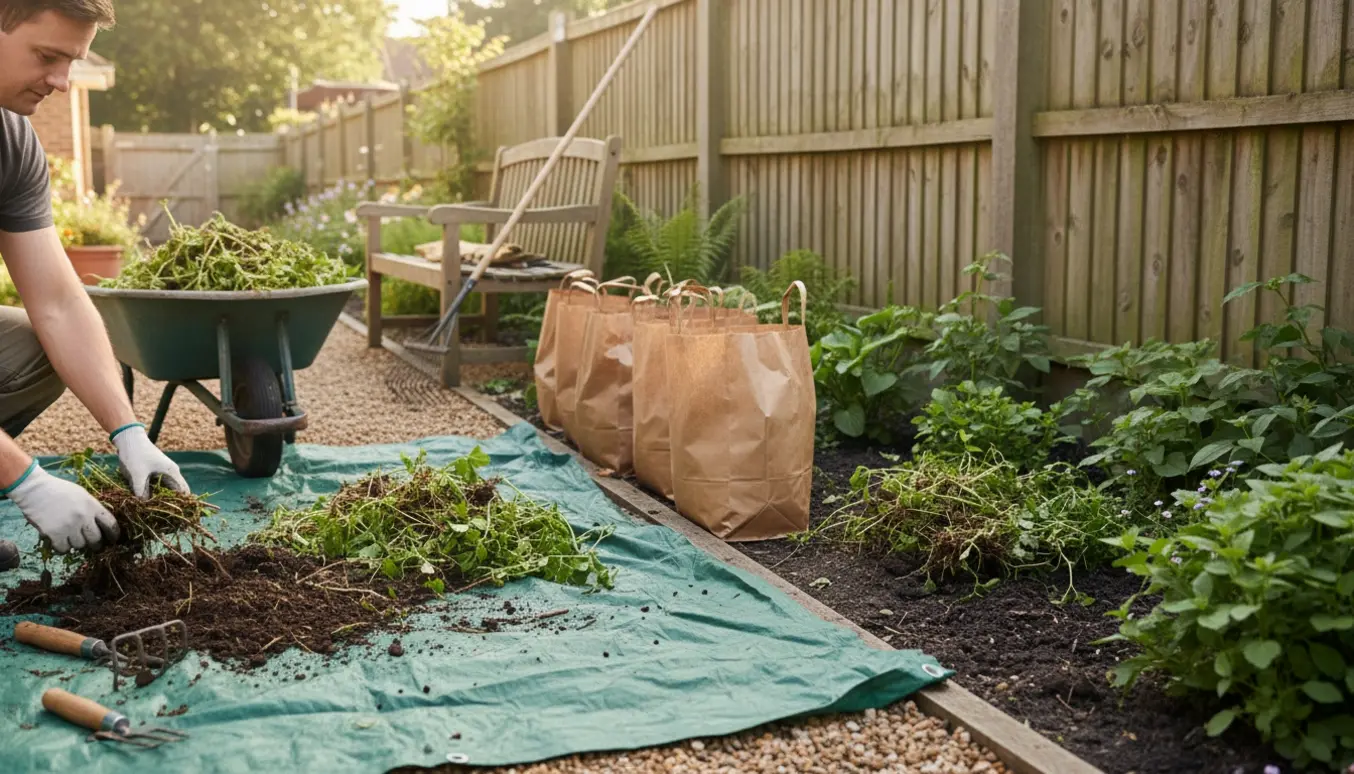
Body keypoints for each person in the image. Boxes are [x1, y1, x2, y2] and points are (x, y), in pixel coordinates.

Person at [0, 0, 189, 571]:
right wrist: (25, 479)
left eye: (72, 61)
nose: (61, 81)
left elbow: (57, 300)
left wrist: (128, 431)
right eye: (46, 56)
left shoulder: (12, 142)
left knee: (29, 348)